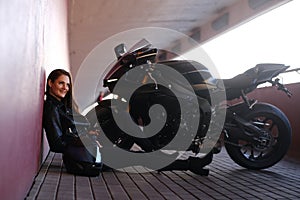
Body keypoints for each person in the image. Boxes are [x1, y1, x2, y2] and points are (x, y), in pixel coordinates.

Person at [43, 69, 102, 176]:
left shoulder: (65, 107)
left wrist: (88, 134)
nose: (65, 88)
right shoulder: (52, 108)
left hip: (87, 150)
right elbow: (56, 144)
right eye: (61, 83)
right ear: (50, 83)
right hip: (79, 158)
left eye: (68, 85)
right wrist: (82, 139)